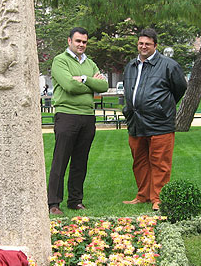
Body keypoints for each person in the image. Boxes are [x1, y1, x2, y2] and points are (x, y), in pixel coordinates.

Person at [122, 28, 187, 211]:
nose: (143, 47)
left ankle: (158, 198)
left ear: (155, 46)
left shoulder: (168, 65)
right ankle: (143, 195)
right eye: (141, 43)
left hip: (160, 123)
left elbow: (179, 88)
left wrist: (161, 106)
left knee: (160, 163)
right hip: (135, 121)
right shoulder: (131, 66)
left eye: (148, 44)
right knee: (139, 161)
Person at [47, 27, 108, 215]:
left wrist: (82, 78)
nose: (81, 45)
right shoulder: (60, 61)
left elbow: (104, 85)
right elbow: (69, 86)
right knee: (61, 160)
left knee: (80, 162)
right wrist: (91, 83)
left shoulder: (90, 63)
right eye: (78, 41)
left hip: (88, 117)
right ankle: (54, 203)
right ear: (69, 41)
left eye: (84, 42)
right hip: (67, 115)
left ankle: (75, 200)